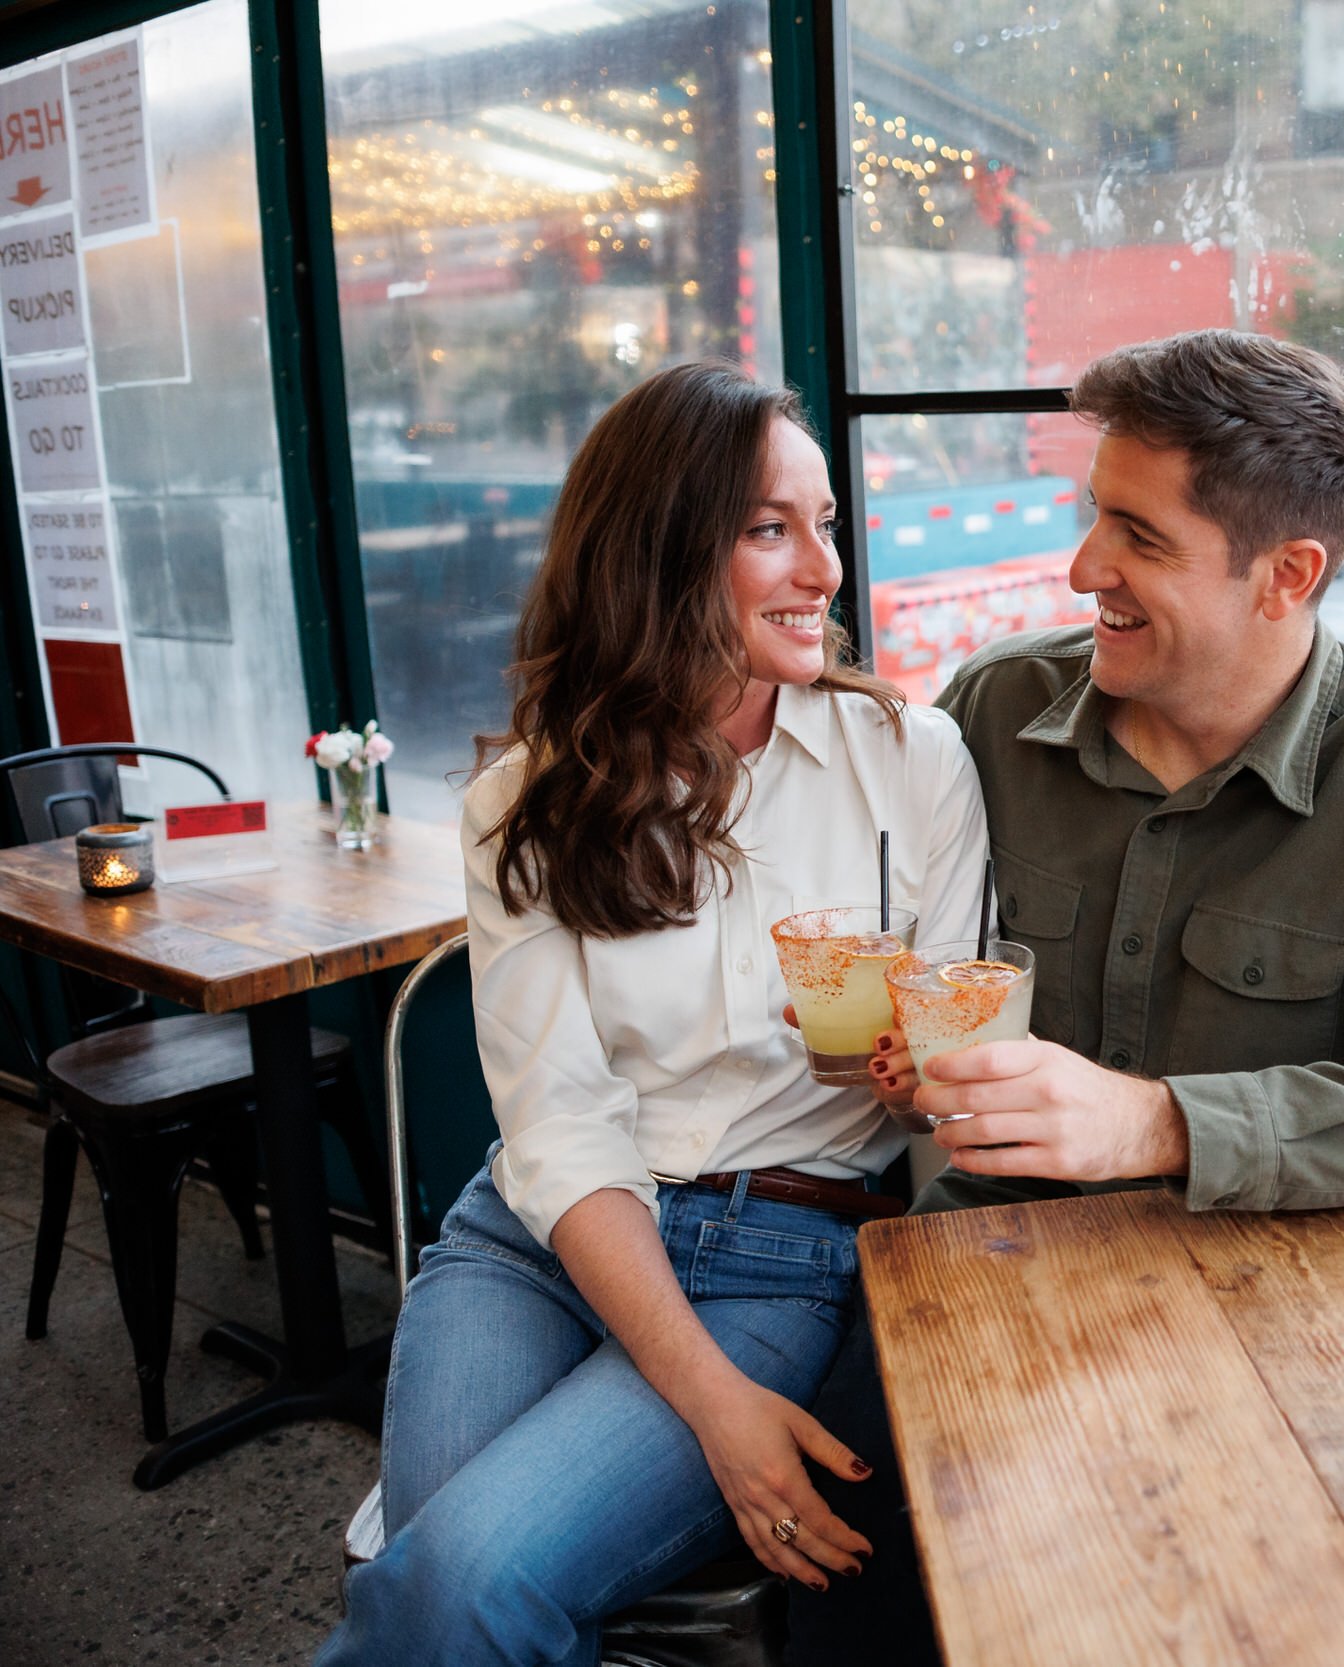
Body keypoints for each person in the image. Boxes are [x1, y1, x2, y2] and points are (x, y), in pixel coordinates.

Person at [321, 363, 990, 1666]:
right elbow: (560, 1128)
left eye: (830, 524)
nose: (825, 570)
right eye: (769, 529)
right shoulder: (528, 800)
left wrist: (922, 1075)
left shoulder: (914, 762)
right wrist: (716, 1407)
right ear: (664, 551)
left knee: (447, 1586)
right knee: (443, 1584)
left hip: (779, 1252)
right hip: (535, 1237)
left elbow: (947, 1058)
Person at [874, 329, 1344, 1214]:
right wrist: (904, 1056)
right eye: (1095, 513)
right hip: (990, 1258)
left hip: (1263, 1289)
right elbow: (900, 981)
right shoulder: (993, 706)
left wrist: (1161, 1124)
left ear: (1287, 575)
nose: (1082, 568)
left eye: (1141, 537)